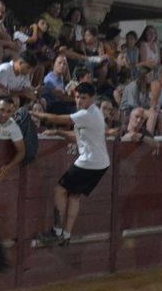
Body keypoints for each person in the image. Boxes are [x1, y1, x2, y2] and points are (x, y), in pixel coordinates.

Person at [30, 82, 109, 246]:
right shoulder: (93, 113)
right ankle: (66, 235)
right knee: (74, 195)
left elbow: (55, 118)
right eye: (77, 97)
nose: (79, 101)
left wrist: (30, 112)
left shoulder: (86, 114)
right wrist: (58, 132)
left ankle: (56, 231)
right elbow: (78, 136)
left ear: (92, 98)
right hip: (100, 162)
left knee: (59, 189)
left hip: (89, 161)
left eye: (83, 98)